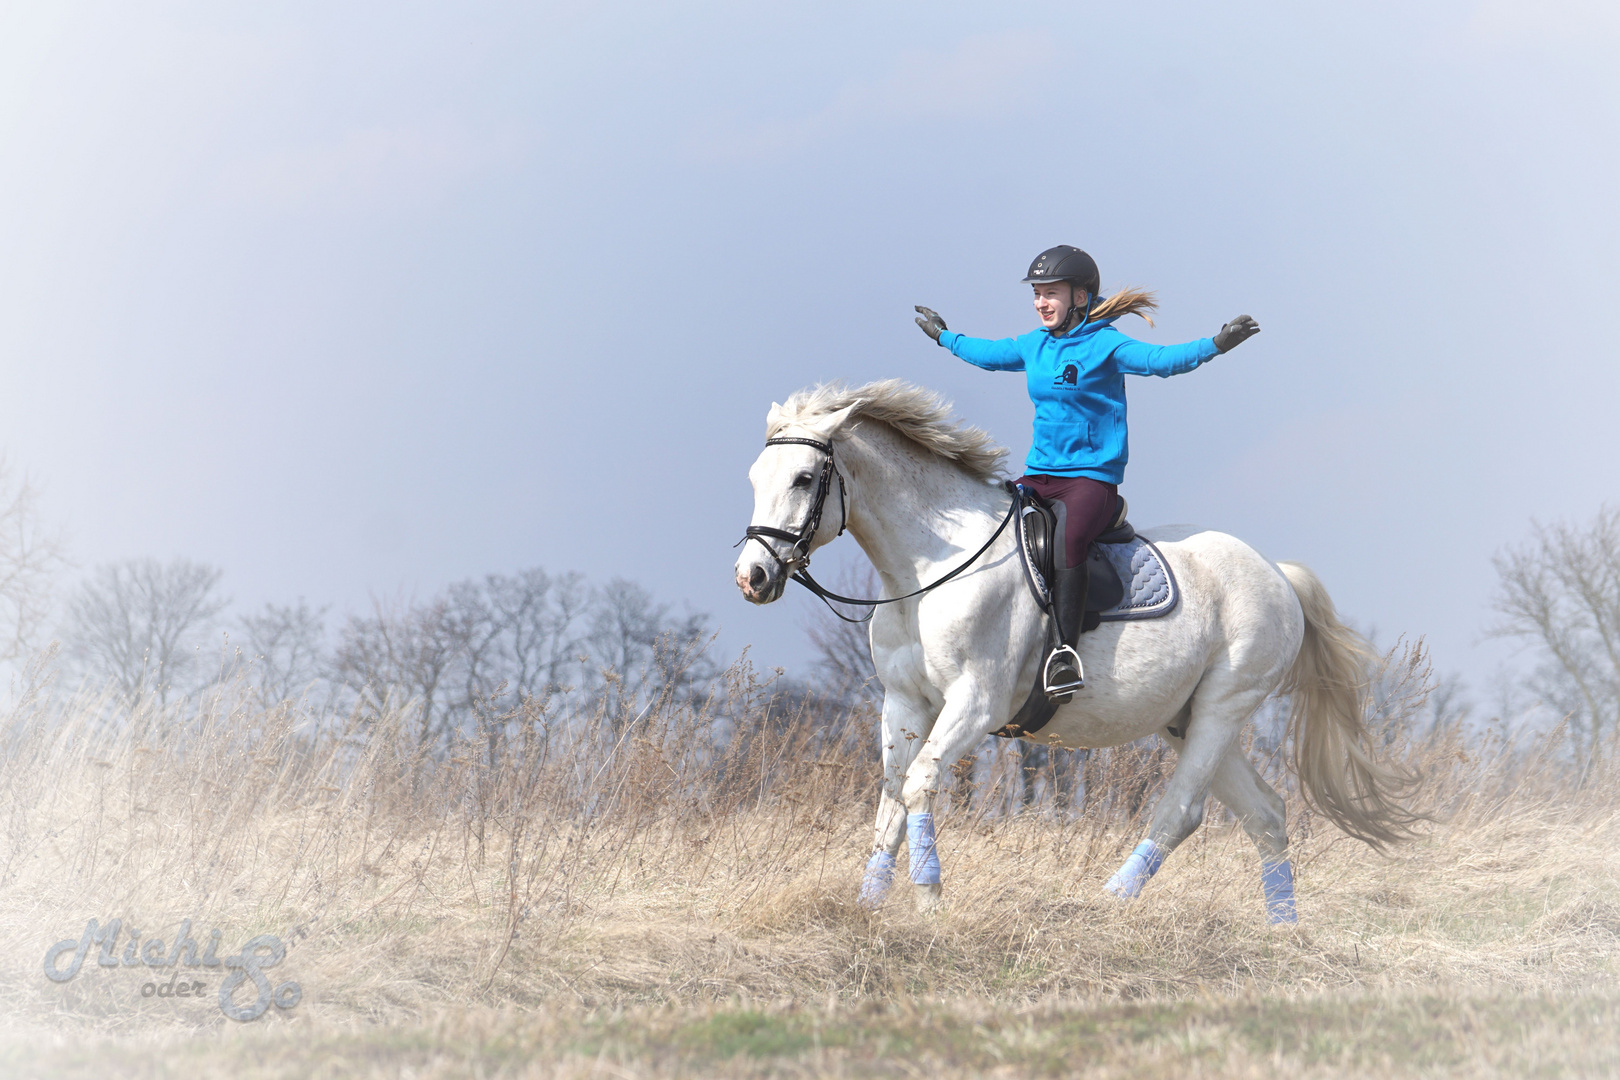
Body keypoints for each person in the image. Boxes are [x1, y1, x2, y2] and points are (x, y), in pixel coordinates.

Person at [914, 245, 1259, 699]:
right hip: (1037, 475)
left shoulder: (1106, 344)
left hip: (1090, 480)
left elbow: (1162, 362)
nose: (1040, 302)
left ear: (1079, 297)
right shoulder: (1033, 344)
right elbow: (989, 354)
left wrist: (1215, 345)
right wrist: (945, 337)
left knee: (1069, 540)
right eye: (1037, 294)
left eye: (1050, 293)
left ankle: (1063, 653)